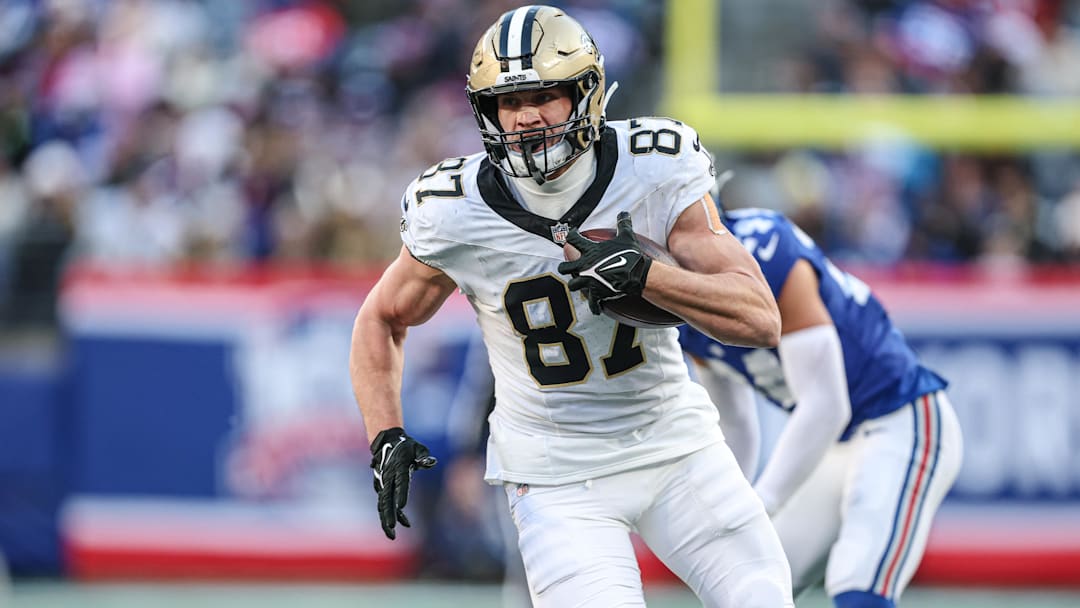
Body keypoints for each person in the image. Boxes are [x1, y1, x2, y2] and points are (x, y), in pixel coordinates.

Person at [349, 6, 794, 607]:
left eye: (545, 94)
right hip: (557, 473)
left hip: (675, 443)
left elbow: (758, 317)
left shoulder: (652, 165)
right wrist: (384, 435)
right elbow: (383, 317)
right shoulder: (453, 208)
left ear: (586, 94)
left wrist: (647, 274)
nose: (526, 115)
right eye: (508, 102)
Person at [679, 206, 964, 608]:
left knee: (858, 581)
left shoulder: (766, 250)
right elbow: (733, 419)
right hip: (836, 446)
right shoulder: (677, 298)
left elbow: (827, 406)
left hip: (900, 417)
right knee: (748, 585)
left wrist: (760, 503)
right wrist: (731, 503)